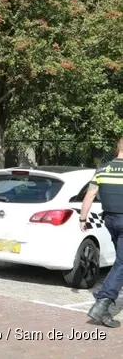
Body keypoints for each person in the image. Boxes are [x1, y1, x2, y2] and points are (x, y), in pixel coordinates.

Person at [81, 136, 123, 328]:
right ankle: (103, 303)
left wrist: (83, 218)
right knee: (122, 263)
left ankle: (106, 297)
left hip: (110, 221)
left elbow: (90, 194)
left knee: (120, 262)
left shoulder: (102, 169)